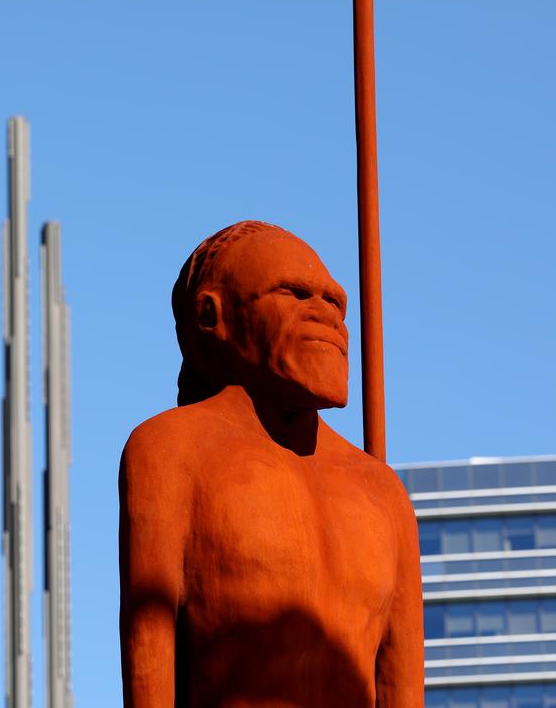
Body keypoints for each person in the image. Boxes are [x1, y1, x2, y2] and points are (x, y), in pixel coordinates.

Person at [119, 220, 423, 707]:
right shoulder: (170, 451)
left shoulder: (384, 492)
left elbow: (402, 689)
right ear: (210, 315)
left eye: (335, 302)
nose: (327, 316)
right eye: (295, 293)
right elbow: (149, 652)